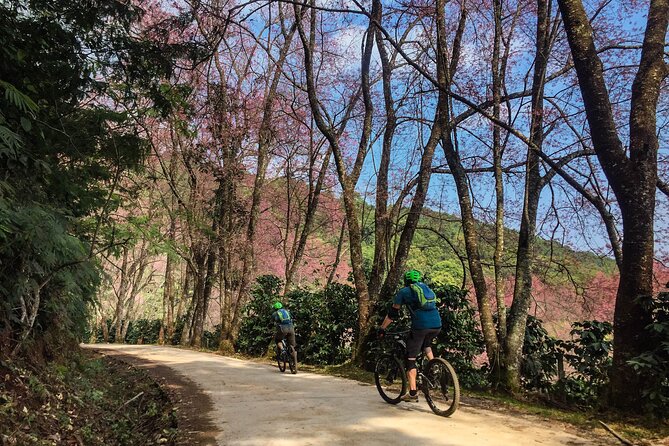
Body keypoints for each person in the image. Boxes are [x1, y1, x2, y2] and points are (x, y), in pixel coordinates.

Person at [378, 270, 441, 402]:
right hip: (437, 325)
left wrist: (382, 328)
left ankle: (412, 393)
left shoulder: (404, 292)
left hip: (420, 326)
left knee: (410, 359)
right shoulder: (426, 288)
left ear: (406, 281)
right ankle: (434, 364)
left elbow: (393, 314)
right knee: (426, 343)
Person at [272, 301, 297, 370]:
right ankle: (294, 359)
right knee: (292, 345)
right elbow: (293, 317)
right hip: (291, 328)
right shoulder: (287, 311)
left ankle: (282, 350)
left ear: (275, 308)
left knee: (278, 340)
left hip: (282, 329)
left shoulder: (275, 313)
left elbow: (272, 322)